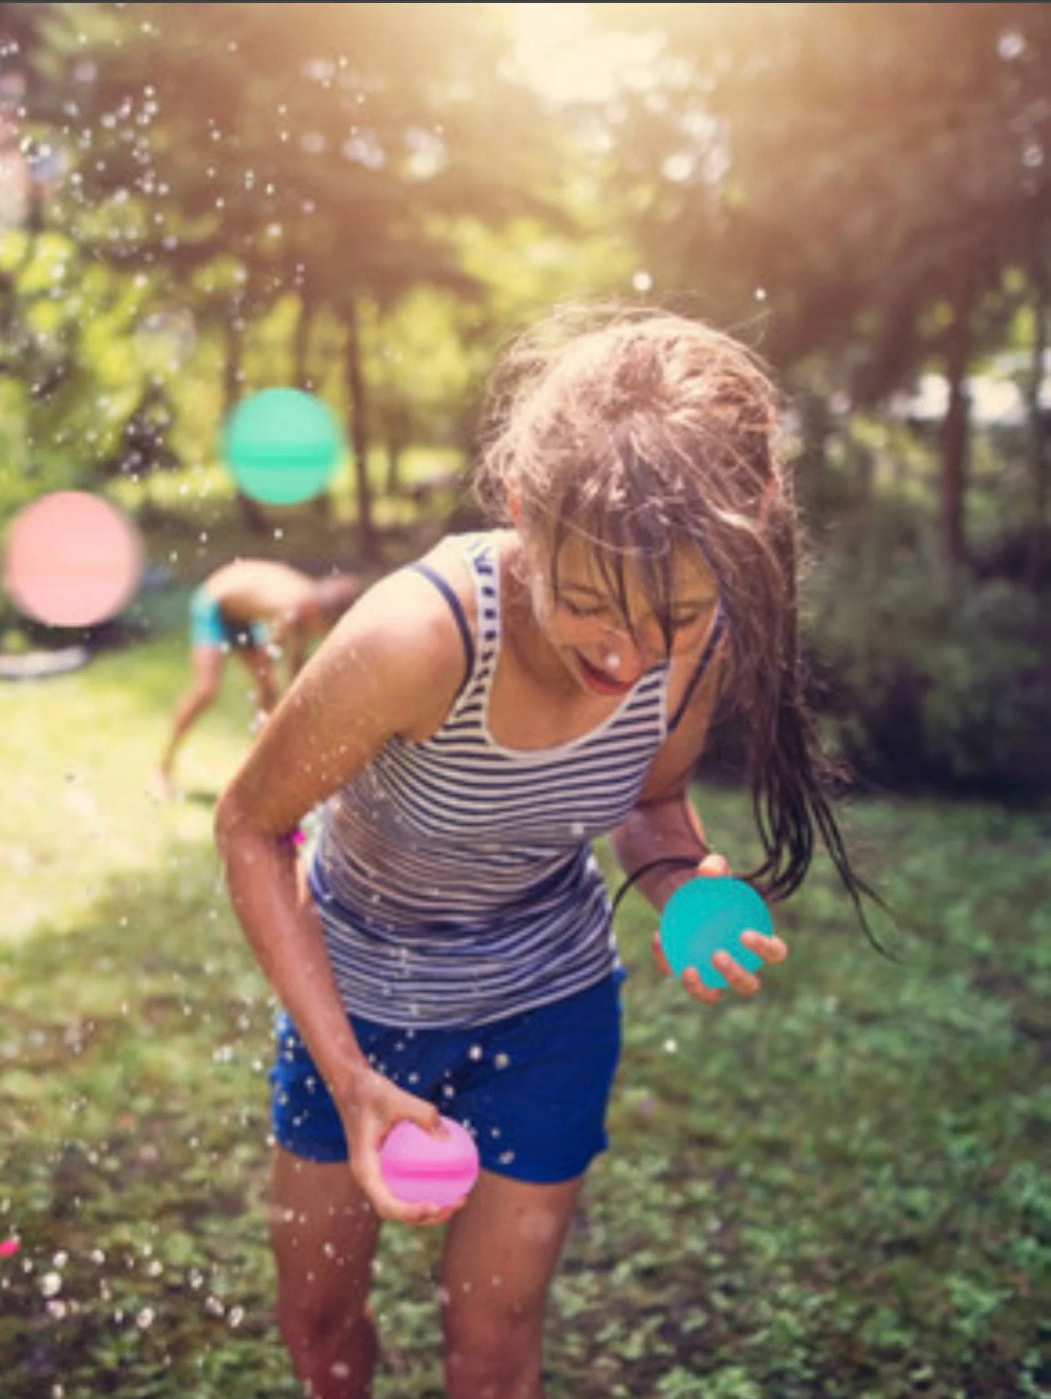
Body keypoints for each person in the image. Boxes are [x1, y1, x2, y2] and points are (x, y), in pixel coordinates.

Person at [213, 306, 880, 1399]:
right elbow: (249, 823)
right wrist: (347, 1075)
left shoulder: (701, 637)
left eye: (669, 616)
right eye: (584, 605)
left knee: (493, 1349)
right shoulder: (414, 640)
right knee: (319, 1324)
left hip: (545, 1008)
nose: (627, 654)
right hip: (358, 1003)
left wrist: (679, 883)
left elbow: (652, 803)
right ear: (522, 507)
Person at [150, 558, 364, 800]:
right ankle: (162, 769)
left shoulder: (310, 606)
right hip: (214, 604)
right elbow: (278, 659)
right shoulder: (293, 609)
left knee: (268, 691)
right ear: (315, 613)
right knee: (205, 691)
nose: (322, 636)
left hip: (243, 616)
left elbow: (295, 670)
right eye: (324, 630)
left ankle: (257, 777)